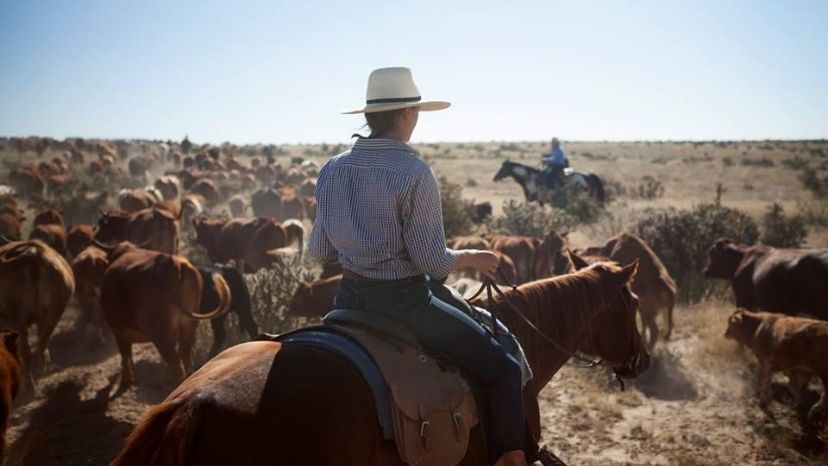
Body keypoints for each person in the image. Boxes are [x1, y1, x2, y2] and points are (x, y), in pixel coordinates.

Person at [309, 67, 529, 466]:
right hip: (406, 306)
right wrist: (472, 258)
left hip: (346, 301)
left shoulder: (332, 170)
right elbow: (432, 263)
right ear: (408, 114)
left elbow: (321, 250)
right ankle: (510, 459)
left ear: (370, 115)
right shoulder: (413, 172)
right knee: (503, 369)